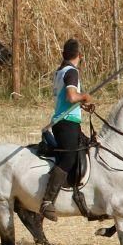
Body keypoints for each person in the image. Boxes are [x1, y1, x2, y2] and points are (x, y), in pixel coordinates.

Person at [40, 38, 95, 221]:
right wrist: (85, 96)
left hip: (67, 120)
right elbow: (71, 97)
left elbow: (67, 99)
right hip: (66, 122)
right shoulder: (72, 72)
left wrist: (83, 105)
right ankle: (47, 200)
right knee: (69, 157)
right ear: (80, 56)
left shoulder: (61, 71)